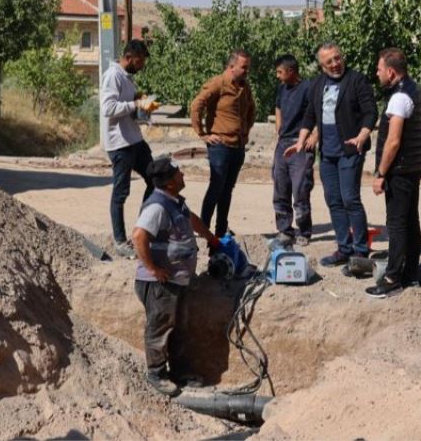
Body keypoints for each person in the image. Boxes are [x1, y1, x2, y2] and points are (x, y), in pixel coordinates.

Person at [132, 157, 219, 396]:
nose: (182, 175)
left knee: (177, 327)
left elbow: (192, 220)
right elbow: (139, 236)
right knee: (159, 328)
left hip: (176, 282)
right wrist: (153, 269)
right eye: (178, 173)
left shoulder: (175, 202)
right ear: (170, 183)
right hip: (161, 284)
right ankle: (157, 375)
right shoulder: (157, 207)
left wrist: (211, 238)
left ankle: (179, 372)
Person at [285, 42, 377, 267]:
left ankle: (361, 251)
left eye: (337, 58)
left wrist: (363, 135)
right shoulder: (317, 84)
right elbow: (310, 115)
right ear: (321, 66)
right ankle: (344, 248)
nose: (335, 64)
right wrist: (301, 142)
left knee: (350, 198)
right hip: (327, 152)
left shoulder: (356, 80)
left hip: (350, 149)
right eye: (329, 62)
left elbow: (370, 111)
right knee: (333, 200)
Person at [366, 48, 421, 299]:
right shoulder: (416, 90)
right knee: (410, 221)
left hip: (401, 170)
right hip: (414, 167)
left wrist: (380, 173)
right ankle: (411, 274)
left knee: (396, 224)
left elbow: (393, 141)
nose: (377, 73)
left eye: (379, 69)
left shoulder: (399, 98)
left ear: (391, 72)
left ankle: (393, 278)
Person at [100, 39, 160, 258]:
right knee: (120, 193)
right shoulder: (112, 76)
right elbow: (108, 108)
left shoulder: (127, 79)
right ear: (129, 57)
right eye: (140, 60)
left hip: (134, 139)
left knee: (156, 179)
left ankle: (142, 230)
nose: (142, 65)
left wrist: (141, 103)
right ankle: (119, 241)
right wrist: (135, 105)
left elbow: (127, 108)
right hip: (120, 144)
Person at [190, 50, 256, 238]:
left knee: (227, 189)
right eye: (244, 67)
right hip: (220, 146)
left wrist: (246, 130)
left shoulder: (244, 86)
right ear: (231, 67)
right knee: (216, 186)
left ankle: (220, 229)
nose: (246, 71)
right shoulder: (217, 83)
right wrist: (203, 134)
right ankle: (203, 228)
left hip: (238, 146)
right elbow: (196, 105)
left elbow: (251, 109)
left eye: (247, 68)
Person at [272, 54, 316, 246]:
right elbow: (278, 109)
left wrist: (315, 136)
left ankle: (304, 232)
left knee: (300, 190)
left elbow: (319, 113)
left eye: (280, 72)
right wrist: (279, 129)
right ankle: (285, 230)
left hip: (301, 145)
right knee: (280, 188)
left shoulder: (308, 88)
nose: (277, 76)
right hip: (283, 144)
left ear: (290, 71)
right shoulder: (282, 89)